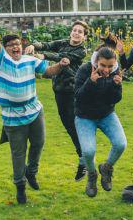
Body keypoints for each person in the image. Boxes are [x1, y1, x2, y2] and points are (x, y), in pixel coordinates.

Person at [0, 7, 70, 204]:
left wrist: (61, 66)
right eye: (11, 45)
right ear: (5, 48)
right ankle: (20, 187)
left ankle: (32, 172)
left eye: (18, 44)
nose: (16, 47)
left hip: (35, 111)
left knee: (38, 143)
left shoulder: (30, 60)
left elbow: (48, 72)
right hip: (13, 117)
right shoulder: (1, 61)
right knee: (18, 153)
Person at [24, 21, 89, 181]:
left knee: (73, 125)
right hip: (59, 91)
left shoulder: (81, 51)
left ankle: (84, 160)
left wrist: (44, 56)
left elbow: (62, 57)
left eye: (80, 32)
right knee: (68, 125)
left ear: (84, 37)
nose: (76, 33)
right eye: (74, 30)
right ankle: (84, 157)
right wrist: (34, 45)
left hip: (72, 91)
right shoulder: (63, 42)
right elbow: (47, 44)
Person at [74, 48, 126, 198]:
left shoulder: (116, 72)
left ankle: (106, 168)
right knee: (88, 151)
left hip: (106, 114)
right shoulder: (84, 70)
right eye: (103, 65)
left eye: (110, 66)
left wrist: (117, 86)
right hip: (84, 116)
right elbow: (78, 97)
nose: (106, 70)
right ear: (96, 61)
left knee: (121, 144)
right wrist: (91, 82)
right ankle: (91, 175)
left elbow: (114, 99)